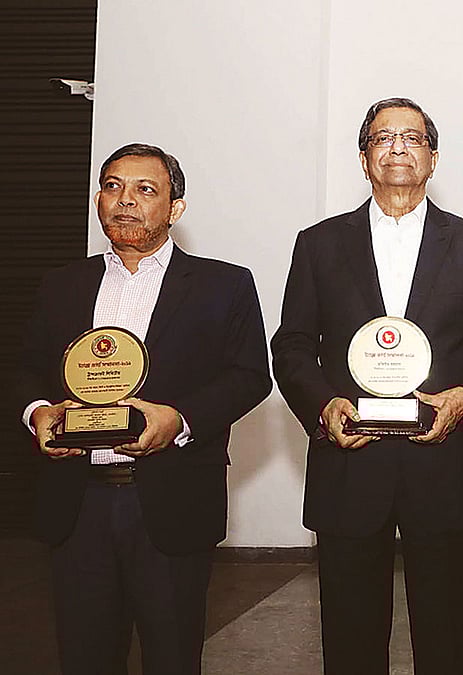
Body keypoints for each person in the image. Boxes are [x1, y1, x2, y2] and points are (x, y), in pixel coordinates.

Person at [271, 97, 463, 675]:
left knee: (448, 638)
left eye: (412, 138)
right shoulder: (319, 244)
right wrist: (322, 404)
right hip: (350, 461)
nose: (398, 148)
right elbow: (293, 345)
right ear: (363, 158)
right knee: (350, 640)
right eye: (383, 138)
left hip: (443, 460)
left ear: (433, 157)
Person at [16, 143, 271, 675]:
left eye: (144, 190)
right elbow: (23, 370)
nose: (124, 201)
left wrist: (177, 419)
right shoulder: (61, 284)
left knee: (173, 658)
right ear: (97, 200)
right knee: (84, 657)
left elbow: (249, 377)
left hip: (171, 501)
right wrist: (38, 412)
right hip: (76, 506)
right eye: (112, 187)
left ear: (175, 207)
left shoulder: (224, 285)